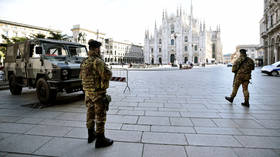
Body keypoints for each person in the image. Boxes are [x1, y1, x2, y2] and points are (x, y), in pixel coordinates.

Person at [80, 39, 113, 148]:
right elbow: (107, 75)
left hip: (88, 93)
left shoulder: (85, 61)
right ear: (96, 49)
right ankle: (100, 139)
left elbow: (82, 77)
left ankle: (91, 134)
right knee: (100, 115)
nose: (100, 50)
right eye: (99, 48)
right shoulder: (97, 61)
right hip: (98, 93)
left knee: (90, 113)